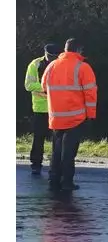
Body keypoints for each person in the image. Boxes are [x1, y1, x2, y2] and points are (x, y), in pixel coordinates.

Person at [41, 38, 97, 191]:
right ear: (78, 50)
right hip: (75, 117)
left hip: (56, 116)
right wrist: (91, 115)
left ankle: (53, 180)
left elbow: (44, 87)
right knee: (69, 152)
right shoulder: (83, 67)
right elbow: (90, 94)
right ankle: (67, 182)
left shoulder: (52, 65)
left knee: (57, 150)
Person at [23, 43, 60, 175]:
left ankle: (55, 165)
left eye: (54, 56)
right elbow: (28, 85)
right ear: (45, 53)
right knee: (38, 138)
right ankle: (36, 164)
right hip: (40, 108)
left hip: (57, 108)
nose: (52, 58)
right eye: (50, 56)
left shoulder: (60, 64)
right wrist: (45, 87)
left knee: (57, 139)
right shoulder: (35, 64)